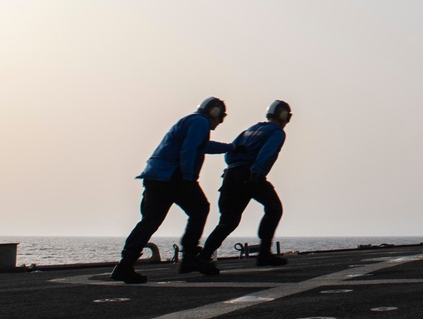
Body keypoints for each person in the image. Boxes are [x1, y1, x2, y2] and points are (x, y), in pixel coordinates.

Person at [111, 97, 234, 284]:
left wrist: (231, 147)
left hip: (154, 175)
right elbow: (189, 150)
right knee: (200, 209)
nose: (220, 122)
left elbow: (202, 146)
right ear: (215, 112)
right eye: (221, 117)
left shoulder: (191, 121)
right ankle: (190, 257)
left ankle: (124, 264)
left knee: (150, 220)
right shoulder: (200, 122)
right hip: (173, 175)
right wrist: (187, 178)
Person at [199, 100, 292, 267]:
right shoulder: (277, 132)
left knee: (228, 220)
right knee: (274, 208)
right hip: (249, 174)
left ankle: (204, 255)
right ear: (283, 116)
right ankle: (264, 254)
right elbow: (267, 152)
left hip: (231, 174)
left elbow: (231, 151)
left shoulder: (250, 130)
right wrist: (255, 172)